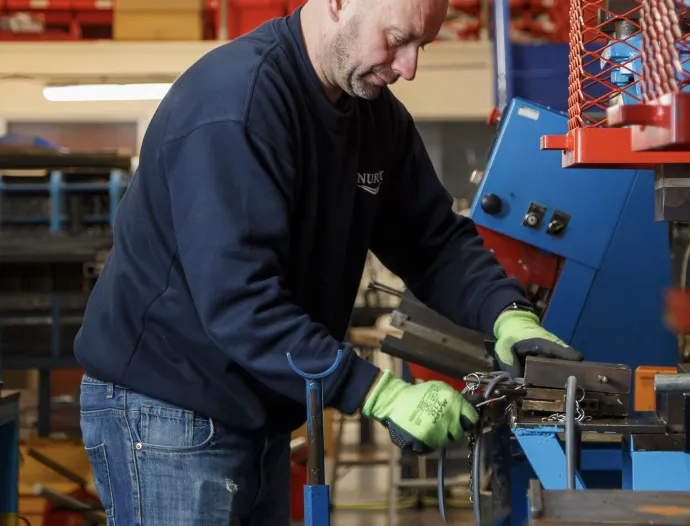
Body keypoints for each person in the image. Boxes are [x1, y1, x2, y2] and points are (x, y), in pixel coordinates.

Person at [74, 0, 582, 523]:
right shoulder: (238, 106)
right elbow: (239, 302)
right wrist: (377, 392)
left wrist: (507, 314)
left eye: (421, 46)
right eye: (397, 39)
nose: (409, 68)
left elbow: (432, 240)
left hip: (255, 407)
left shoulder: (372, 115)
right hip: (170, 411)